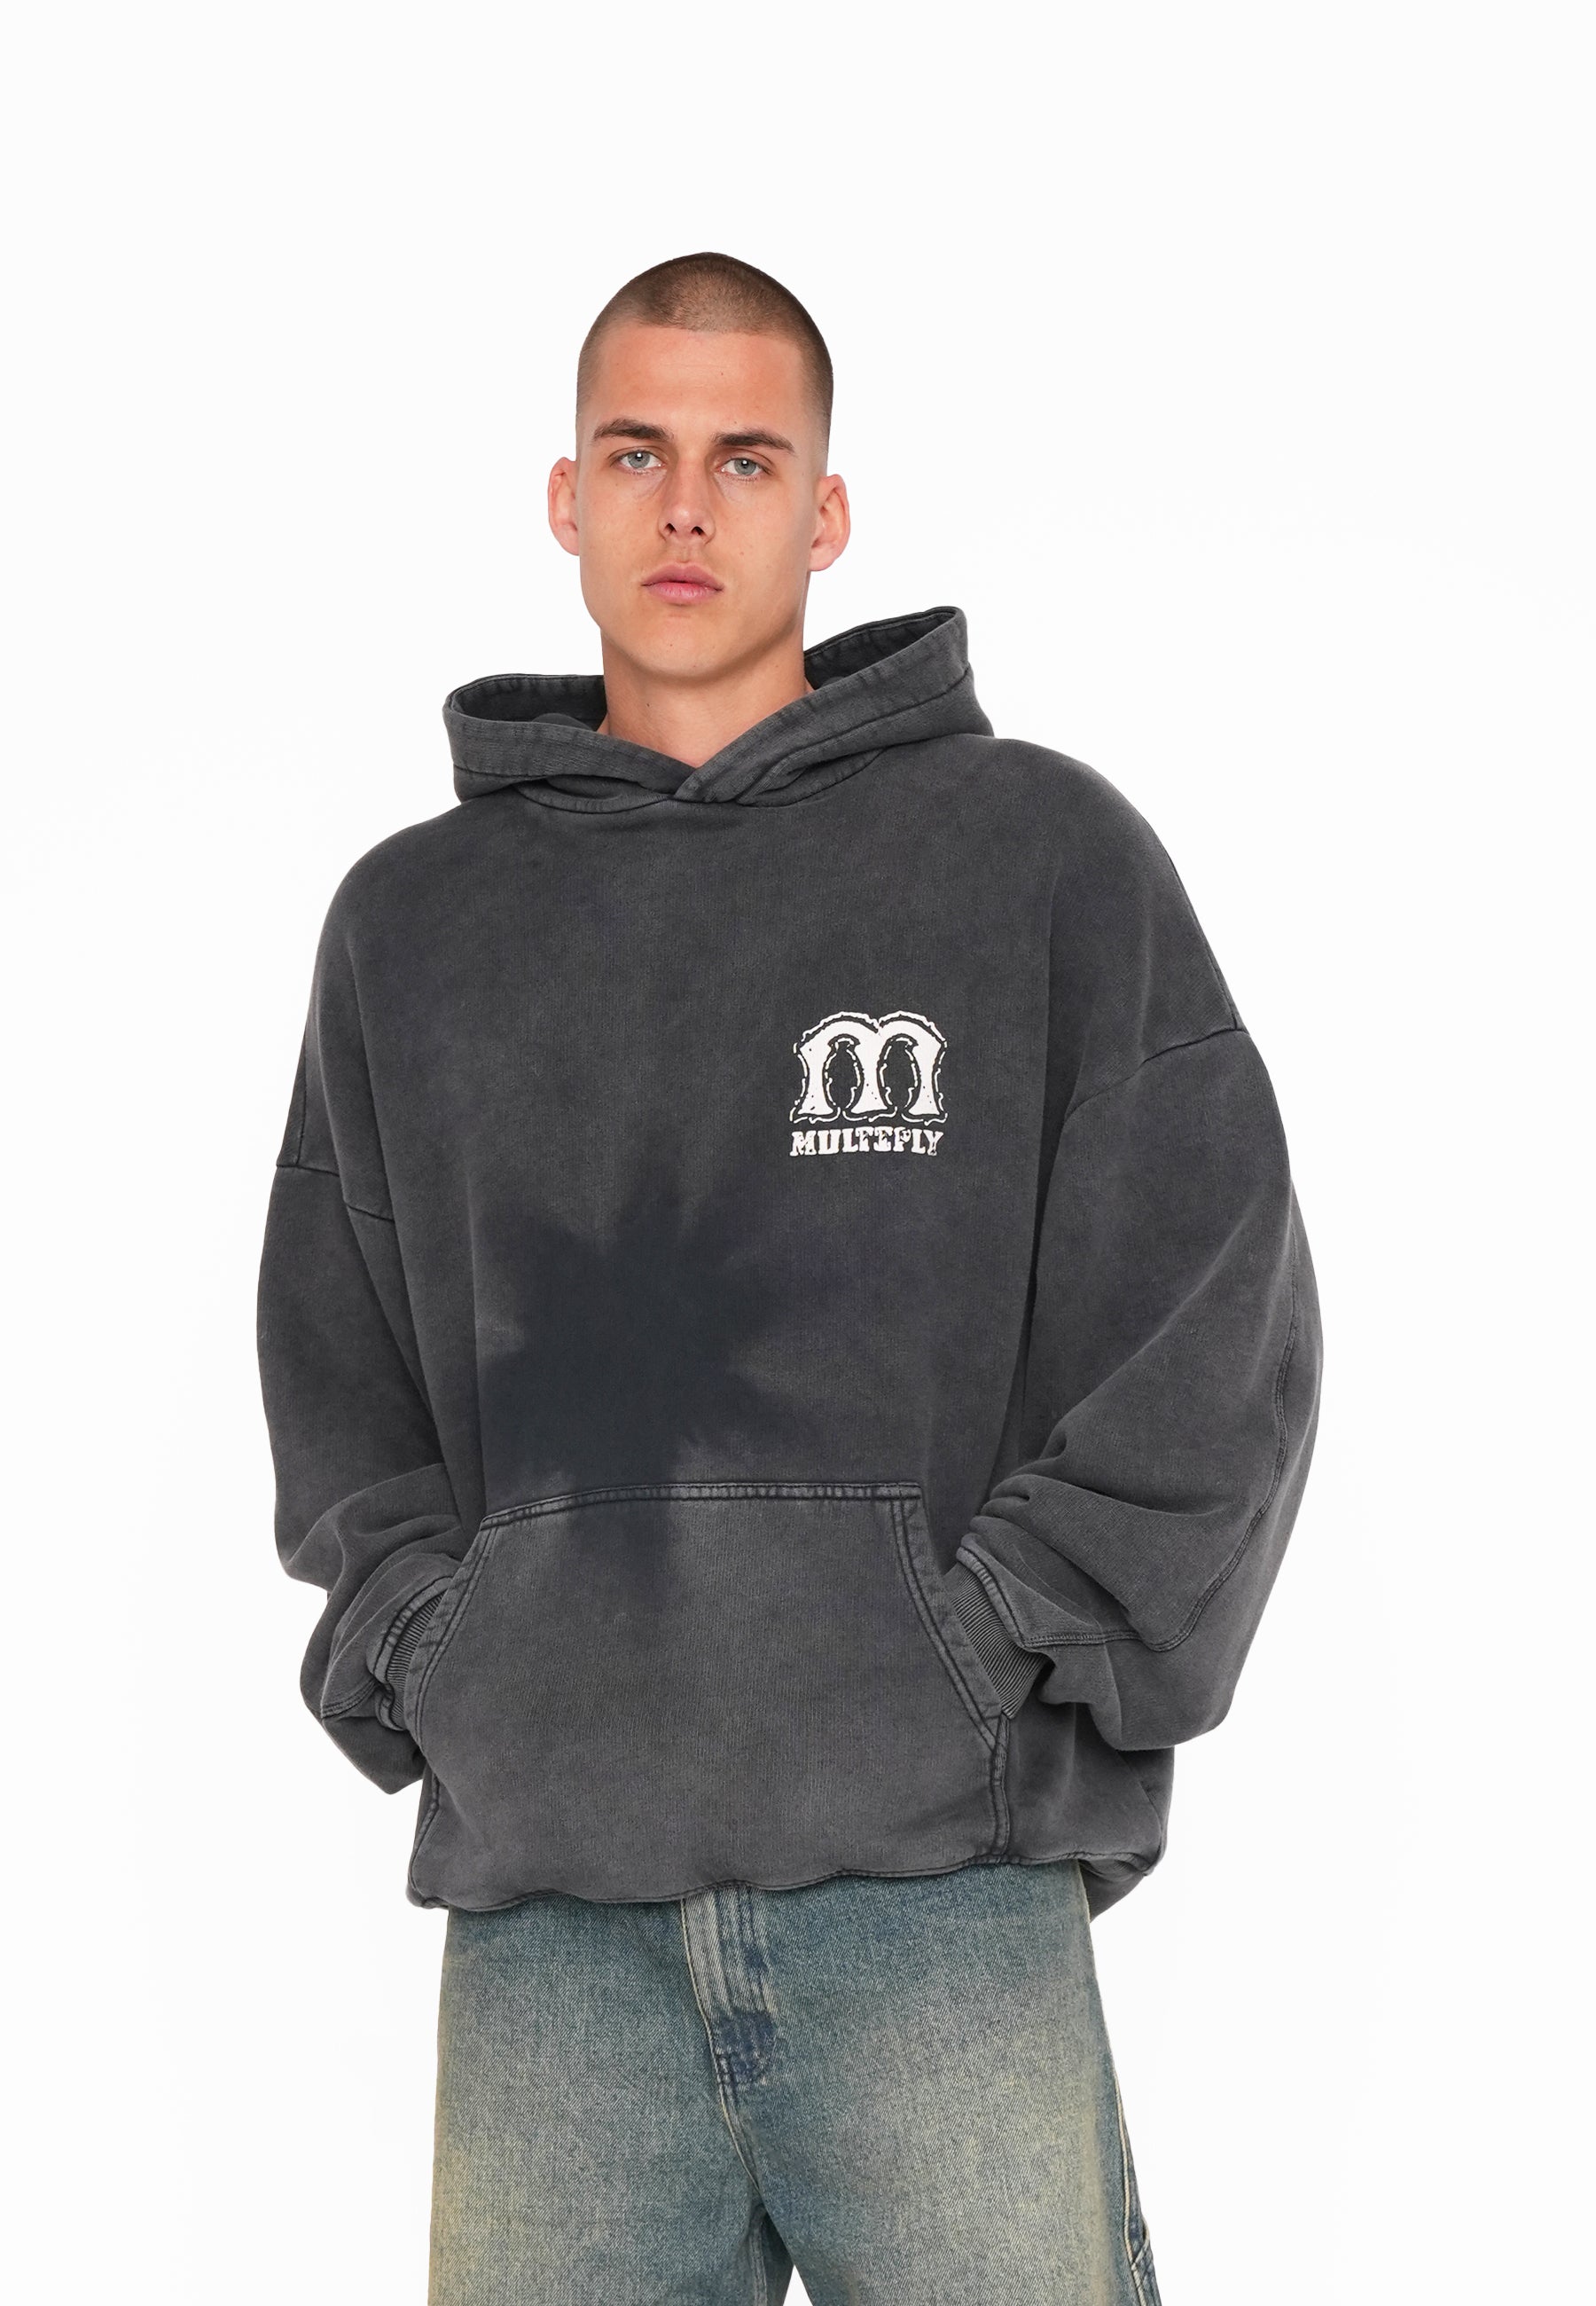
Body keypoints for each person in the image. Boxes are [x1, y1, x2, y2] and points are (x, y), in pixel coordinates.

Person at [257, 250, 1322, 2305]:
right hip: (553, 1933)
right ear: (562, 495)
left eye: (745, 459)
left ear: (825, 513)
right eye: (635, 454)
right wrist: (444, 1653)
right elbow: (337, 1372)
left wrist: (993, 1646)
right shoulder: (411, 926)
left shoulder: (1034, 854)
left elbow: (1216, 1317)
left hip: (938, 1907)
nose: (685, 507)